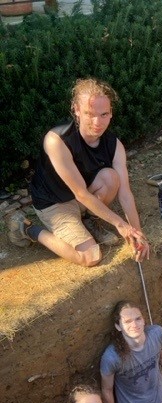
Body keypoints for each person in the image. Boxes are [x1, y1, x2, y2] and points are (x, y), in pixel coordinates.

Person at [5, 77, 149, 267]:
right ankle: (27, 228)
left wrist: (137, 234)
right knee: (90, 257)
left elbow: (125, 194)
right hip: (54, 203)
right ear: (76, 109)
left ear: (111, 113)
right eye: (90, 114)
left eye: (104, 114)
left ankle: (89, 220)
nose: (97, 122)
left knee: (111, 177)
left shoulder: (115, 145)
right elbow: (80, 193)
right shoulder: (57, 140)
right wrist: (121, 225)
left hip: (83, 197)